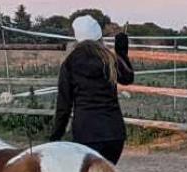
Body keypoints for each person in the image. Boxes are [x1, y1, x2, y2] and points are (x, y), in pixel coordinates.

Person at [49, 15, 134, 164]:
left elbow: (64, 106)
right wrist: (122, 53)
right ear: (99, 36)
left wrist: (55, 136)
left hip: (86, 133)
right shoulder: (109, 59)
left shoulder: (70, 63)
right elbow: (128, 78)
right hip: (114, 134)